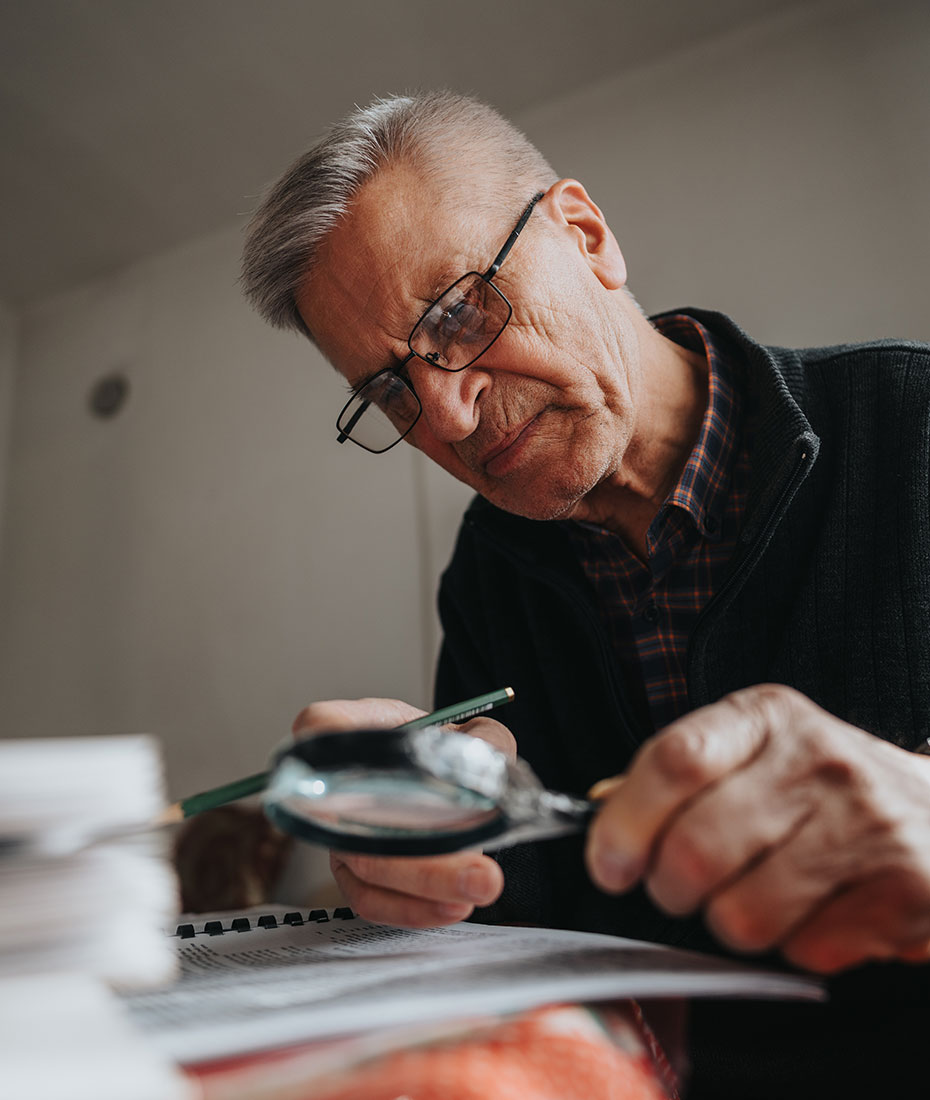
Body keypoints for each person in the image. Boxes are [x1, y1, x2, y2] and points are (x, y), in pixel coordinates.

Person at [241, 91, 930, 1097]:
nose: (446, 411)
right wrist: (439, 859)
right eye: (390, 390)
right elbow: (538, 922)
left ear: (588, 234)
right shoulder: (486, 574)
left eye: (458, 312)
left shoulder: (912, 423)